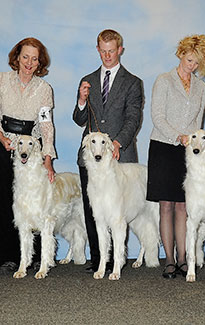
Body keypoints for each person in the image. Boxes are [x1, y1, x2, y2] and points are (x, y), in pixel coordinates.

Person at [73, 29, 143, 273]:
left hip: (119, 159)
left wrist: (117, 142)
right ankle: (99, 260)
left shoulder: (133, 82)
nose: (107, 55)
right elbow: (80, 119)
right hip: (91, 159)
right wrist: (81, 101)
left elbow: (133, 119)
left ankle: (117, 261)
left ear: (120, 50)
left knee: (117, 214)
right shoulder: (88, 79)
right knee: (94, 213)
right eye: (103, 51)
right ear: (98, 50)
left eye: (111, 51)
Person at [146, 34, 205, 279]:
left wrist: (192, 141)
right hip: (164, 147)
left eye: (196, 63)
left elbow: (198, 123)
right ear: (181, 54)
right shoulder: (163, 81)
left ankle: (184, 258)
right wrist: (179, 137)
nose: (191, 65)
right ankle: (170, 260)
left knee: (184, 205)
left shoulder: (202, 88)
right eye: (189, 59)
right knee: (166, 206)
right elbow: (157, 116)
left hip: (188, 153)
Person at [0, 37, 56, 272]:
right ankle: (6, 255)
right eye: (25, 57)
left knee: (31, 202)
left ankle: (28, 257)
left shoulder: (44, 89)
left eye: (35, 59)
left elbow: (46, 125)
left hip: (31, 149)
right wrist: (2, 137)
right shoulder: (2, 80)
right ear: (17, 57)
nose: (29, 63)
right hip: (3, 143)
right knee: (4, 199)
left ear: (40, 62)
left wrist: (48, 157)